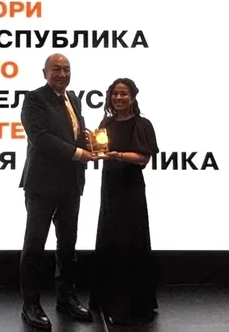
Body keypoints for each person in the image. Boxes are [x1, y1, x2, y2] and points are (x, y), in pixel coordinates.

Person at [18, 53, 97, 330]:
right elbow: (41, 138)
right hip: (42, 184)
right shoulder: (34, 99)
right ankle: (30, 304)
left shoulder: (73, 98)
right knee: (34, 246)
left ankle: (66, 298)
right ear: (45, 73)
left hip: (71, 183)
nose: (62, 74)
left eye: (66, 69)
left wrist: (89, 141)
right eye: (56, 69)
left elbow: (71, 133)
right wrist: (78, 153)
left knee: (67, 245)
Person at [88, 77, 159, 325]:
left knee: (129, 243)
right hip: (109, 188)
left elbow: (143, 158)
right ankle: (107, 300)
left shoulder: (142, 124)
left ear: (133, 97)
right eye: (115, 94)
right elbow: (99, 152)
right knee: (110, 241)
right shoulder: (105, 124)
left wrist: (118, 155)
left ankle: (131, 305)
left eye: (124, 94)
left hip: (131, 190)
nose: (119, 98)